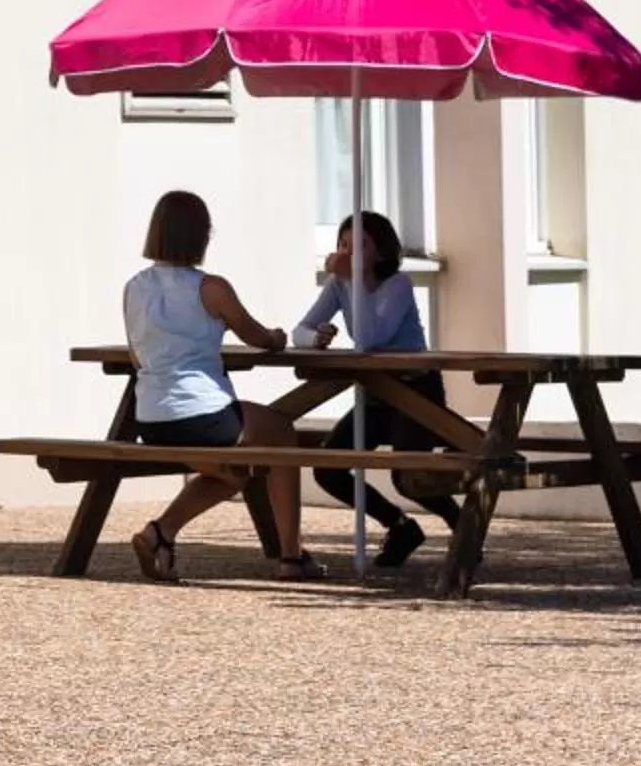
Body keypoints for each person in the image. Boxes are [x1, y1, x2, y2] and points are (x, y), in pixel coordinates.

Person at [122, 190, 324, 584]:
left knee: (236, 472)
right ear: (201, 236)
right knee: (281, 433)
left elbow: (135, 356)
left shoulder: (134, 287)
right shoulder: (211, 288)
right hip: (201, 414)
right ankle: (291, 556)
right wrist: (279, 338)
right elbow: (257, 337)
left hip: (149, 416)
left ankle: (160, 533)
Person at [292, 209, 460, 569]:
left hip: (416, 391)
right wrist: (315, 337)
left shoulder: (398, 284)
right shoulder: (339, 285)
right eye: (343, 244)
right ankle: (399, 526)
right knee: (330, 466)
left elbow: (372, 336)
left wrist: (355, 280)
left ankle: (462, 525)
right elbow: (300, 331)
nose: (347, 252)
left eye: (359, 246)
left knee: (407, 475)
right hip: (377, 392)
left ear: (381, 252)